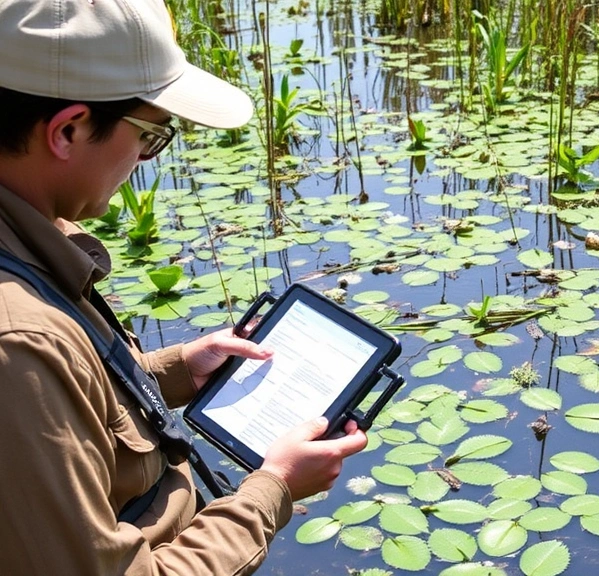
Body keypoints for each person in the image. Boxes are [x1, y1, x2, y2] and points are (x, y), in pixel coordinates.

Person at [0, 0, 368, 573]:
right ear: (68, 129)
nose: (145, 159)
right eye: (151, 135)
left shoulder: (28, 235)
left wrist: (174, 371)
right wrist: (272, 489)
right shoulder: (18, 346)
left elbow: (72, 410)